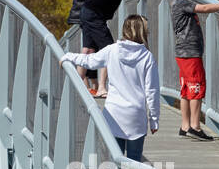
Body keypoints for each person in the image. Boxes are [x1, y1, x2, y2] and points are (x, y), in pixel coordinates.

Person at [61, 14, 159, 161]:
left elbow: (90, 61)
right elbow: (152, 91)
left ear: (125, 30)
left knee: (114, 161)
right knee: (134, 162)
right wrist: (154, 119)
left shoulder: (112, 50)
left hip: (114, 114)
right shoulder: (147, 56)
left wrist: (68, 56)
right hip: (136, 117)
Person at [168, 0, 219, 140]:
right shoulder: (182, 3)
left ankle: (185, 125)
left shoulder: (177, 3)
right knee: (196, 88)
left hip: (183, 53)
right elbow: (203, 9)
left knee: (186, 90)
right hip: (190, 53)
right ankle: (195, 126)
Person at [80, 0, 160, 97]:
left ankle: (77, 84)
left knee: (88, 49)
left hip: (88, 12)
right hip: (94, 15)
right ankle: (102, 88)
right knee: (110, 50)